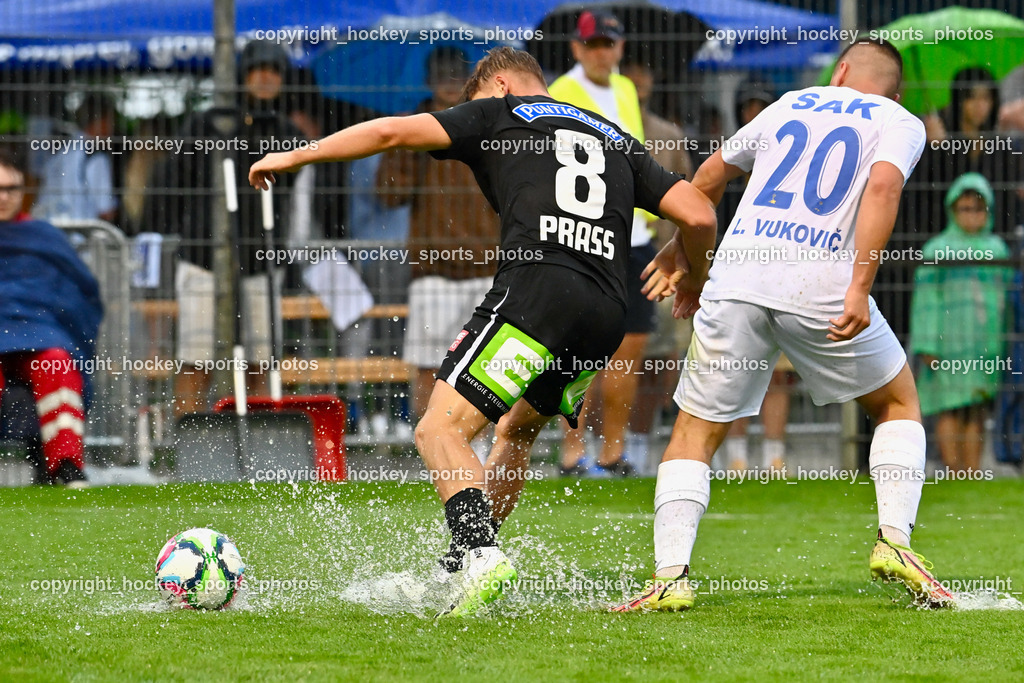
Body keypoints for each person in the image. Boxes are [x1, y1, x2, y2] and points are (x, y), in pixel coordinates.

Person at [249, 47, 717, 616]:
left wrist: (300, 155)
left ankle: (481, 557)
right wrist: (692, 269)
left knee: (438, 431)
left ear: (497, 85)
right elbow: (698, 213)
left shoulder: (500, 110)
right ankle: (459, 568)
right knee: (515, 433)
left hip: (538, 291)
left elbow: (393, 133)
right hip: (605, 312)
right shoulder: (614, 135)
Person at [616, 39, 956, 612]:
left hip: (739, 276)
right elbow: (883, 187)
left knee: (694, 432)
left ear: (840, 70)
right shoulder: (900, 120)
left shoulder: (791, 102)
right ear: (894, 92)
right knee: (896, 403)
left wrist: (685, 255)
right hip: (818, 282)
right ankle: (894, 542)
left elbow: (707, 176)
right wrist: (859, 287)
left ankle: (669, 577)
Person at [146, 39, 312, 418]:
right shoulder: (206, 124)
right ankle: (186, 442)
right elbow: (170, 185)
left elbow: (290, 195)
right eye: (259, 69)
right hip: (204, 259)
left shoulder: (288, 133)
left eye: (275, 70)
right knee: (197, 357)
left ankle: (263, 441)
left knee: (261, 359)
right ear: (242, 74)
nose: (267, 77)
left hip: (261, 261)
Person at [549, 8, 655, 476]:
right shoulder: (561, 93)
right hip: (587, 236)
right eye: (592, 45)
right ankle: (573, 451)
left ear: (620, 46)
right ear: (576, 48)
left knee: (629, 349)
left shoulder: (626, 89)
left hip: (634, 237)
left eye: (607, 44)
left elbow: (634, 159)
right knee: (577, 349)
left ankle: (614, 451)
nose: (600, 52)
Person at [376, 46, 500, 425]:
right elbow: (388, 194)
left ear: (469, 81)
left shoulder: (490, 125)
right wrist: (414, 147)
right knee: (429, 367)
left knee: (485, 372)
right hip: (433, 272)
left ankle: (477, 449)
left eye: (456, 74)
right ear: (429, 80)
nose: (449, 82)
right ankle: (430, 444)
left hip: (488, 270)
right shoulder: (412, 126)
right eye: (441, 74)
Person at [0, 148, 103, 486]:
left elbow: (79, 298)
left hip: (40, 338)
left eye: (11, 188)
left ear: (24, 190)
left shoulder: (45, 238)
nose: (4, 197)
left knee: (57, 361)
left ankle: (66, 467)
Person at [620, 58, 694, 474]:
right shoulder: (599, 126)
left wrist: (683, 256)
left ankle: (641, 446)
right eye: (630, 71)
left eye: (645, 69)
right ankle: (601, 445)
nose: (638, 77)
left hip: (661, 262)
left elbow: (692, 197)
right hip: (611, 259)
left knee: (658, 364)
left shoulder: (668, 135)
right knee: (605, 361)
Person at [718, 80, 795, 473]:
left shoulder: (792, 170)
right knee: (735, 373)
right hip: (736, 282)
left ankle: (774, 455)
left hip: (782, 282)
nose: (755, 114)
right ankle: (735, 458)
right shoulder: (728, 168)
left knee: (778, 377)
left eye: (762, 106)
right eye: (748, 107)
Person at [910, 173, 1011, 473]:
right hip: (946, 345)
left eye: (978, 209)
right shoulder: (936, 249)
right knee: (948, 407)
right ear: (952, 210)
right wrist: (927, 344)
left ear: (988, 211)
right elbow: (925, 302)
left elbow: (1006, 299)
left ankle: (972, 473)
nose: (972, 215)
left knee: (976, 408)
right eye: (965, 209)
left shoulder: (998, 249)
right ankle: (954, 471)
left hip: (985, 345)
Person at [32, 92, 117, 223]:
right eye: (111, 121)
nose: (112, 128)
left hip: (47, 229)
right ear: (101, 121)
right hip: (78, 236)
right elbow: (106, 210)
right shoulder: (95, 156)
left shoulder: (58, 149)